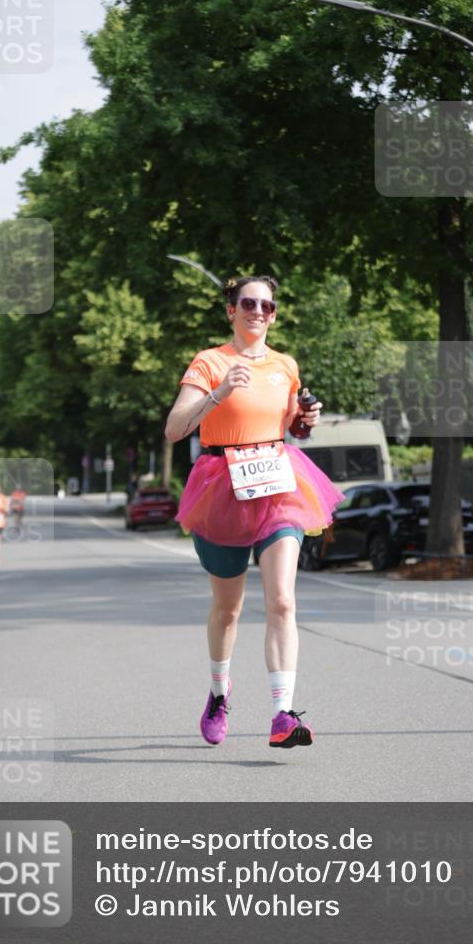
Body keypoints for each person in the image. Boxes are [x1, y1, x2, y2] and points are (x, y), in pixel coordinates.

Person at [165, 275, 343, 749]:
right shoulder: (209, 361)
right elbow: (175, 429)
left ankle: (283, 713)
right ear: (232, 310)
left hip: (278, 484)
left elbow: (289, 426)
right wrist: (218, 392)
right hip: (221, 485)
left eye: (267, 305)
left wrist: (304, 421)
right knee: (228, 611)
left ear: (274, 314)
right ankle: (219, 694)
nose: (258, 312)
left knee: (282, 600)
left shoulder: (286, 365)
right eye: (248, 303)